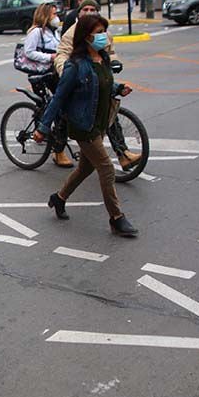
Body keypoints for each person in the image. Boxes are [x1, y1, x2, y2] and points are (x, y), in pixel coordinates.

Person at [34, 14, 138, 237]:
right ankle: (116, 218)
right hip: (83, 126)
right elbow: (59, 97)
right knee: (107, 168)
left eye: (104, 31)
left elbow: (103, 84)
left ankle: (59, 198)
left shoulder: (102, 59)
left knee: (85, 168)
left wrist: (118, 88)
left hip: (99, 124)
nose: (103, 36)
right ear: (86, 36)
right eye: (98, 32)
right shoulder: (75, 65)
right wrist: (43, 128)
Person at [54, 0, 142, 171]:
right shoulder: (72, 33)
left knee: (109, 112)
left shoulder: (102, 34)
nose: (89, 12)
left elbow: (110, 52)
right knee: (68, 114)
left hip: (97, 79)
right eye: (85, 9)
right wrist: (69, 72)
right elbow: (61, 55)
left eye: (92, 9)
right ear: (79, 13)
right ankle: (58, 149)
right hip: (77, 79)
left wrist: (115, 63)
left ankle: (122, 152)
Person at [22, 2, 70, 167]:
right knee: (57, 110)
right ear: (44, 16)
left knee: (55, 106)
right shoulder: (36, 32)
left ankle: (42, 126)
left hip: (53, 73)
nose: (56, 17)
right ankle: (57, 150)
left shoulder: (54, 32)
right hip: (40, 75)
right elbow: (28, 52)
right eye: (53, 14)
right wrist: (48, 57)